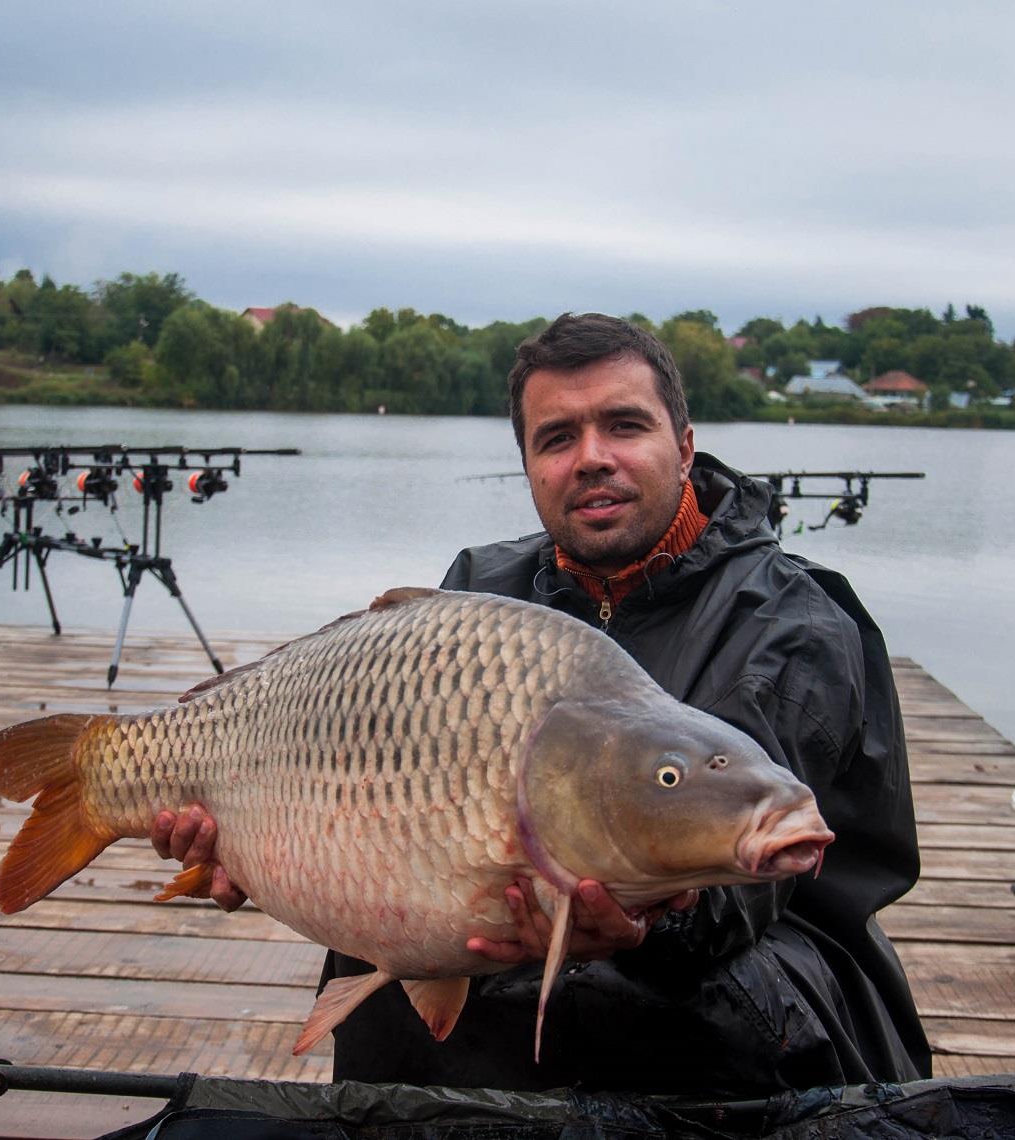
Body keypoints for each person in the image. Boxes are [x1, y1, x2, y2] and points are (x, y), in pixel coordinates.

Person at [154, 312, 930, 1095]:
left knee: (610, 981)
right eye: (557, 438)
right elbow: (399, 803)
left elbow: (738, 902)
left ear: (685, 445)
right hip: (510, 929)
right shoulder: (481, 593)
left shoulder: (793, 624)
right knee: (427, 936)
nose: (592, 458)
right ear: (528, 464)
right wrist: (264, 849)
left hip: (764, 991)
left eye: (624, 426)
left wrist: (636, 925)